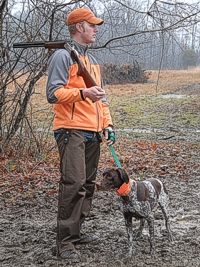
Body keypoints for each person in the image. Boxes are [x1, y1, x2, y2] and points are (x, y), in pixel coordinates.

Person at [46, 8, 115, 260]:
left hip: (93, 133)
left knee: (87, 186)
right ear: (78, 27)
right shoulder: (63, 57)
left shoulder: (92, 60)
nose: (96, 29)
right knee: (73, 185)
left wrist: (108, 126)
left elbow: (102, 98)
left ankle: (75, 233)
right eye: (92, 25)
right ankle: (64, 243)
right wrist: (83, 94)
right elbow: (53, 93)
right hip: (71, 130)